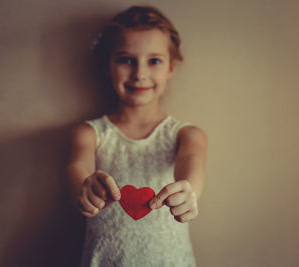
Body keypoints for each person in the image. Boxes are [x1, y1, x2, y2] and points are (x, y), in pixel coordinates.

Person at [67, 5, 207, 267]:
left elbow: (192, 166)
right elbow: (78, 168)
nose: (139, 73)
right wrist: (85, 186)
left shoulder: (187, 135)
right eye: (126, 59)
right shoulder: (89, 133)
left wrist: (190, 192)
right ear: (107, 65)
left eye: (154, 61)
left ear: (170, 68)